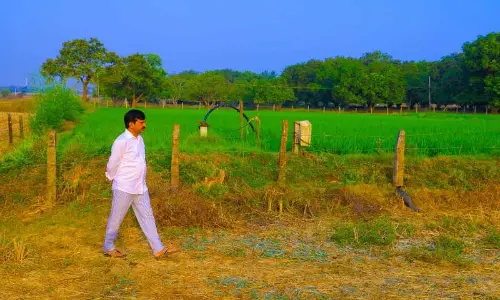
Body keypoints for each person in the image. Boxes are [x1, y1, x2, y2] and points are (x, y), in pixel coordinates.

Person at [103, 109, 178, 258]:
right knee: (116, 218)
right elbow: (113, 162)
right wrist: (110, 176)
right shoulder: (121, 142)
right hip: (124, 187)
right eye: (141, 122)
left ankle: (158, 249)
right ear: (131, 124)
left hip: (140, 187)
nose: (144, 125)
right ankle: (108, 246)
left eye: (144, 122)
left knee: (147, 217)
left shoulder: (140, 140)